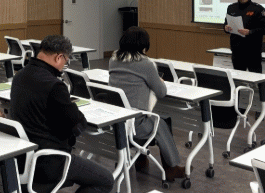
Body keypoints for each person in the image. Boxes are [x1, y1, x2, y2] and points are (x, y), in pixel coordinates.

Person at [11, 35, 114, 193]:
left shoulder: (19, 76)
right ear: (59, 57)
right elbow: (76, 123)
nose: (64, 65)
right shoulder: (54, 86)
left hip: (22, 158)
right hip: (50, 161)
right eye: (66, 60)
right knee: (106, 180)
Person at [109, 27, 188, 182]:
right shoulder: (145, 64)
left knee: (153, 119)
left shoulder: (113, 60)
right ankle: (171, 168)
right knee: (162, 122)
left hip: (117, 120)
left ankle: (141, 159)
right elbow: (161, 92)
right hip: (135, 124)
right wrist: (159, 81)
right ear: (143, 45)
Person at [224, 0, 265, 73]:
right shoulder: (231, 8)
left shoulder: (257, 9)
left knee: (255, 77)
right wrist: (226, 28)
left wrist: (250, 32)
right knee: (238, 76)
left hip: (252, 51)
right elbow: (225, 23)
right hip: (236, 50)